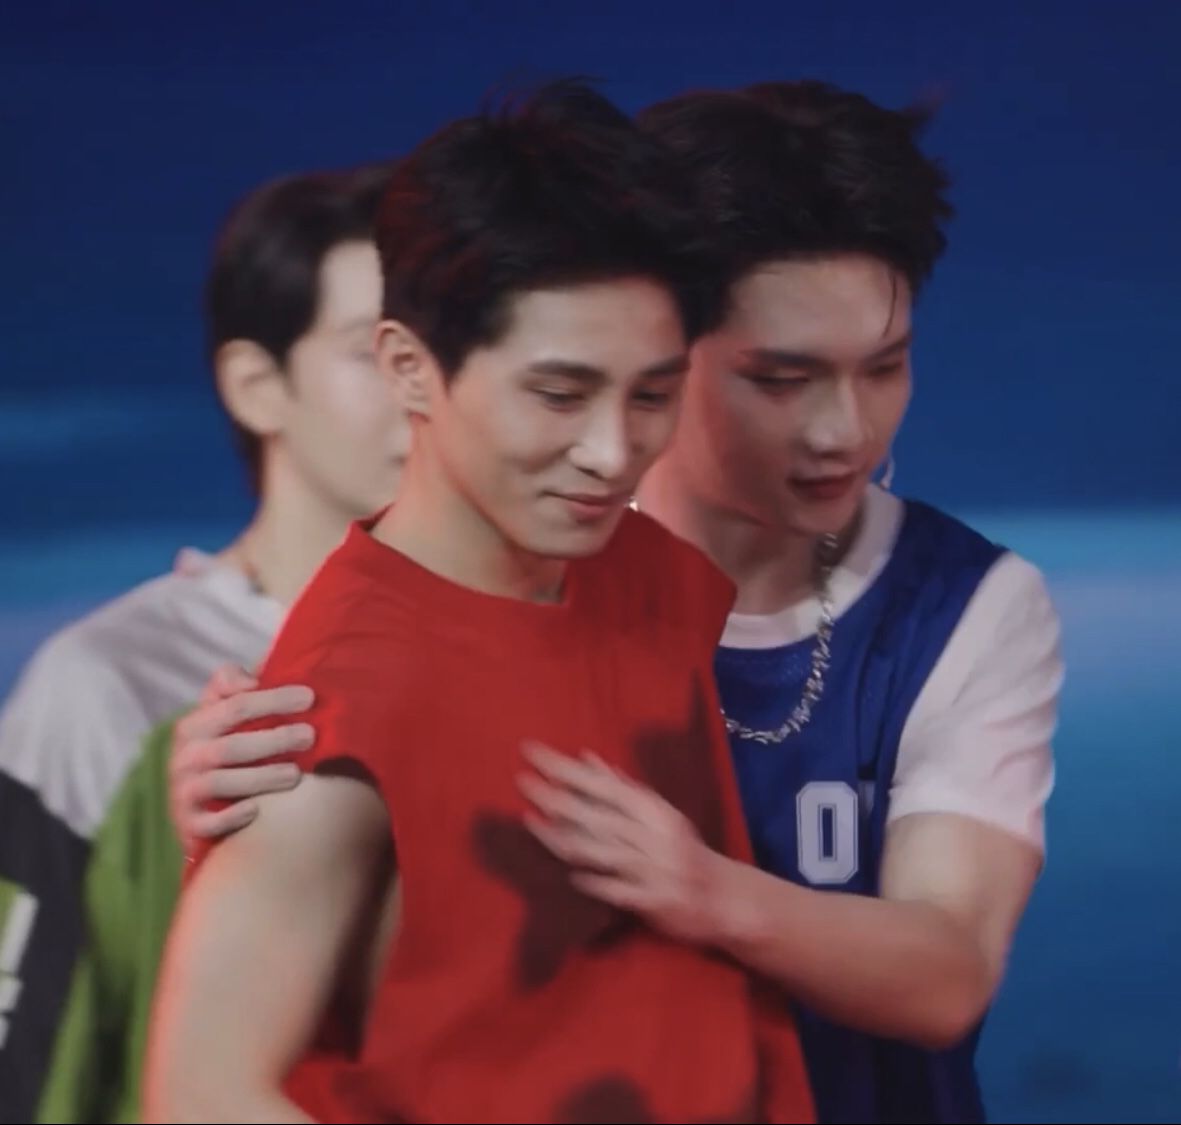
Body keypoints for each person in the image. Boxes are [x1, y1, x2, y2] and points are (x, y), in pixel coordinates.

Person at [172, 80, 1063, 1124]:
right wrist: (251, 821)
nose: (841, 432)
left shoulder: (937, 600)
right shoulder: (485, 587)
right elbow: (208, 1083)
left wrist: (705, 890)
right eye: (778, 378)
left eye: (883, 367)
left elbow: (946, 974)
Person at [143, 80, 815, 1125]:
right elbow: (199, 1096)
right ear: (409, 368)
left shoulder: (640, 562)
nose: (612, 452)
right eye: (558, 394)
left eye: (650, 393)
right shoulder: (332, 712)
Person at [9, 163, 407, 1124]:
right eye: (376, 349)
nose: (424, 386)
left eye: (449, 345)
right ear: (256, 386)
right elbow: (26, 1044)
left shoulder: (538, 642)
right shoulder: (112, 680)